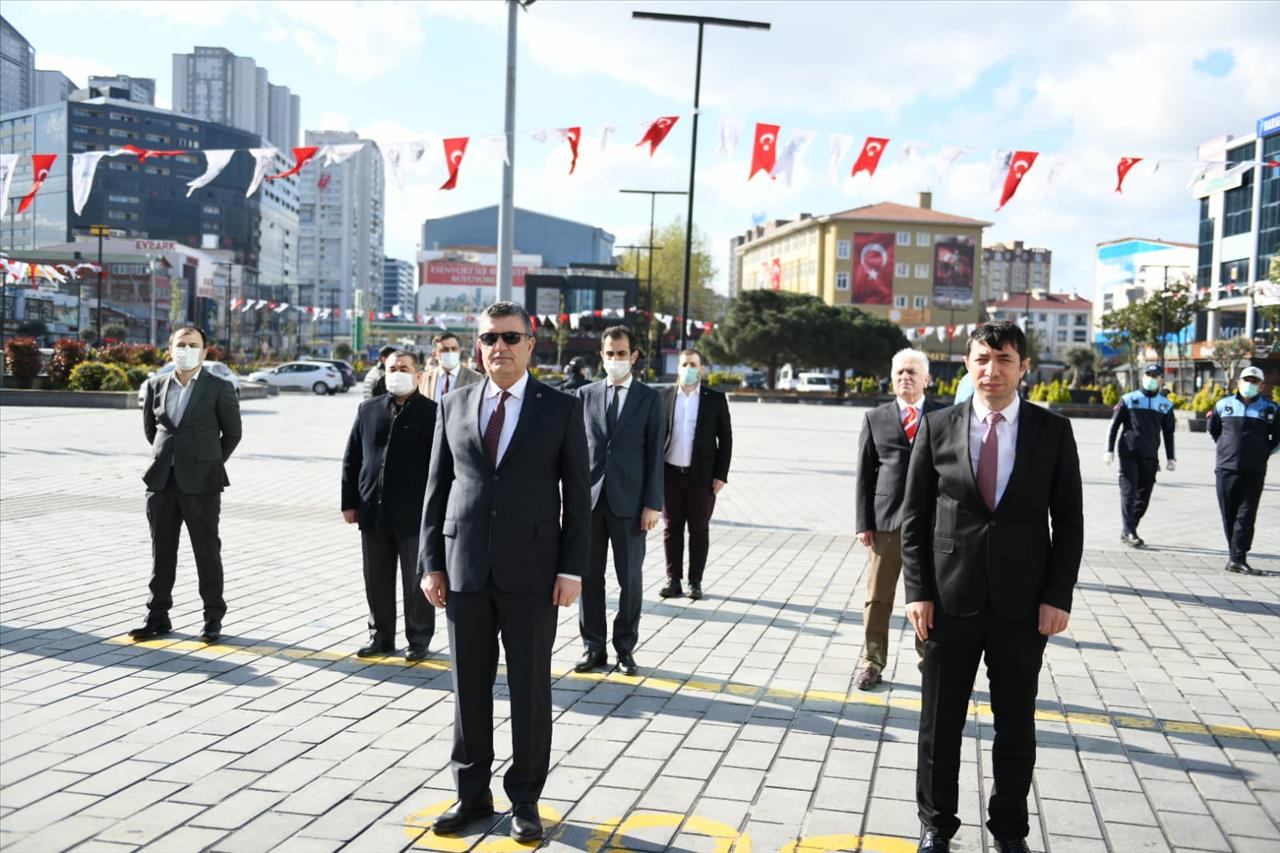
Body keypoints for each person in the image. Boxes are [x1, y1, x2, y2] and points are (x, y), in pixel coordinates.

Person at [901, 321, 1082, 853]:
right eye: (982, 359)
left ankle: (1009, 829)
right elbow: (914, 518)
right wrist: (917, 591)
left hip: (1022, 605)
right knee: (940, 724)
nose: (992, 370)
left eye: (1004, 360)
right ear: (967, 364)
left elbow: (1068, 522)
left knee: (1016, 727)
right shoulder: (938, 427)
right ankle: (937, 824)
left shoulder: (1052, 432)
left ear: (1024, 367)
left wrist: (1058, 596)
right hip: (947, 601)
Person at [418, 301, 590, 843]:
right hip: (464, 569)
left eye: (511, 337)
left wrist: (572, 570)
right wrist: (431, 563)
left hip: (535, 574)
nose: (501, 348)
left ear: (531, 344)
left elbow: (578, 499)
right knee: (468, 690)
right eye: (490, 338)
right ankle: (471, 796)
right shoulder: (454, 404)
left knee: (530, 691)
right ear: (478, 347)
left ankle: (526, 801)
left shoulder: (560, 408)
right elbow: (436, 489)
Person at [130, 326, 243, 643]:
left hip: (203, 483)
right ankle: (157, 615)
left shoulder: (218, 387)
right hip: (162, 480)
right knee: (161, 551)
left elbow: (232, 434)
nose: (186, 350)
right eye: (181, 345)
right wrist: (172, 458)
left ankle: (212, 617)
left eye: (193, 345)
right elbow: (152, 432)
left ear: (205, 352)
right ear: (169, 350)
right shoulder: (155, 385)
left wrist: (206, 460)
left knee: (206, 552)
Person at [574, 326, 665, 676]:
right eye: (609, 353)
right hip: (590, 502)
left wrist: (652, 504)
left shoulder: (650, 399)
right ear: (601, 355)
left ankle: (625, 648)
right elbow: (576, 452)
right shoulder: (584, 395)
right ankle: (592, 647)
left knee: (631, 579)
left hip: (631, 506)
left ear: (634, 356)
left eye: (622, 353)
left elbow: (656, 454)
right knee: (589, 578)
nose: (615, 359)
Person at [854, 348, 946, 690]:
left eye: (912, 372)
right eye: (899, 373)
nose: (905, 377)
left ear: (927, 379)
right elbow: (865, 475)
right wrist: (864, 522)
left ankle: (930, 661)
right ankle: (873, 661)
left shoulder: (943, 416)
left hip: (932, 523)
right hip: (886, 523)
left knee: (930, 597)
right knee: (878, 597)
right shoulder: (875, 418)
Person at [342, 351, 437, 662]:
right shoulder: (368, 409)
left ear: (419, 375)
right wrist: (350, 502)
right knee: (376, 579)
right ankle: (380, 636)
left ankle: (419, 639)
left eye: (405, 368)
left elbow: (442, 467)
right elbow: (352, 457)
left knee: (416, 580)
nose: (398, 373)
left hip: (414, 514)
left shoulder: (434, 413)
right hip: (373, 510)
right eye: (392, 368)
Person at [659, 349, 732, 600]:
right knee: (671, 528)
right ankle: (673, 579)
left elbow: (726, 439)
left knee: (699, 528)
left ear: (701, 369)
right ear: (677, 368)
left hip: (702, 476)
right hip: (670, 474)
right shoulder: (665, 397)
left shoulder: (715, 399)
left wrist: (721, 475)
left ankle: (695, 581)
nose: (688, 368)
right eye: (684, 364)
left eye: (693, 364)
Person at [1208, 365, 1280, 575]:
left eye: (1255, 381)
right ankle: (1235, 556)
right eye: (1247, 380)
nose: (1250, 384)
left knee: (1246, 515)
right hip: (1226, 469)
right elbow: (1214, 431)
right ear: (1239, 382)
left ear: (1261, 385)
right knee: (1229, 513)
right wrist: (1225, 451)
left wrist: (1262, 454)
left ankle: (1238, 558)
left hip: (1254, 470)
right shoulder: (1223, 405)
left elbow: (1277, 438)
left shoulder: (1271, 409)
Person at [1105, 364, 1176, 548]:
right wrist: (1109, 450)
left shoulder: (1165, 405)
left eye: (1155, 375)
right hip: (1128, 452)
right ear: (1143, 376)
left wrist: (1171, 457)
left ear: (1161, 380)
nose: (1151, 378)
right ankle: (1129, 531)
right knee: (1129, 492)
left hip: (1150, 456)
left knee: (1143, 497)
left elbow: (1169, 432)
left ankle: (1129, 528)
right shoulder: (1129, 399)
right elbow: (1114, 426)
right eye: (1148, 374)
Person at [421, 332, 482, 400]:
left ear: (459, 351)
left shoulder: (476, 378)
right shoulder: (424, 378)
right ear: (435, 354)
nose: (450, 352)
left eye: (454, 348)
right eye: (444, 350)